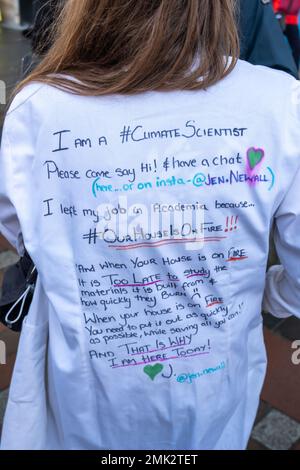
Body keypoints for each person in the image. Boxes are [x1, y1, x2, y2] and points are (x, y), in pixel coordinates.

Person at [0, 0, 300, 451]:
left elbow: (25, 231)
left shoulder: (40, 105)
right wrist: (260, 290)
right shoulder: (280, 102)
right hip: (214, 383)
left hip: (87, 380)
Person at [240, 0, 298, 77]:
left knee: (295, 47)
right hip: (278, 17)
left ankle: (295, 68)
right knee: (272, 44)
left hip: (291, 20)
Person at [273, 0, 300, 69]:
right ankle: (275, 66)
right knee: (275, 45)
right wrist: (275, 12)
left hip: (292, 21)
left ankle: (294, 70)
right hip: (279, 19)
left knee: (297, 48)